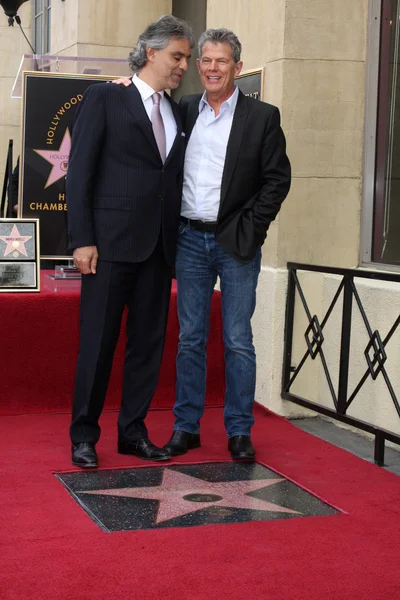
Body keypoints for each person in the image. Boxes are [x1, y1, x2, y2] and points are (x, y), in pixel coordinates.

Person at [115, 27, 291, 462]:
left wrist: (251, 228)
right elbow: (145, 108)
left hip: (235, 242)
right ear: (198, 67)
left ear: (238, 67)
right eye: (205, 61)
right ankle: (186, 427)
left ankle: (239, 431)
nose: (212, 68)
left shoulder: (263, 117)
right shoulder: (184, 110)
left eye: (221, 61)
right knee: (190, 338)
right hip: (189, 239)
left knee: (237, 339)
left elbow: (276, 181)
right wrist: (121, 87)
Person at [66, 15, 194, 468]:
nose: (184, 66)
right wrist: (81, 239)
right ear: (151, 52)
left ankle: (132, 432)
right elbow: (79, 172)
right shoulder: (105, 96)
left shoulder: (177, 112)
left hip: (159, 250)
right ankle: (84, 434)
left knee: (147, 345)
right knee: (97, 344)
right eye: (177, 56)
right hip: (109, 246)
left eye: (187, 59)